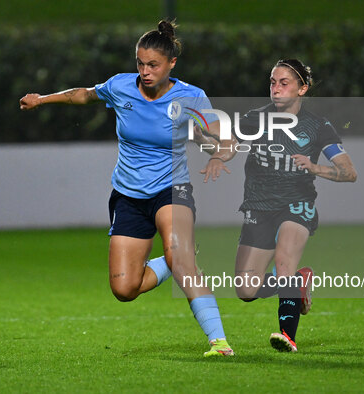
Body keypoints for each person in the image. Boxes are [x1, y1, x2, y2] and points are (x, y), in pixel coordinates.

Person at [19, 20, 234, 357]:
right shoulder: (121, 87)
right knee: (124, 288)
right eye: (140, 63)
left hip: (171, 190)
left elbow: (223, 138)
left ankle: (218, 341)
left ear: (171, 64)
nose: (145, 72)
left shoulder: (192, 96)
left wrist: (219, 153)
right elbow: (84, 95)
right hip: (128, 197)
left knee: (183, 260)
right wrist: (41, 100)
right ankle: (172, 260)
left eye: (153, 65)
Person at [199, 59, 357, 352]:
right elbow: (228, 146)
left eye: (284, 83)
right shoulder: (254, 119)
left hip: (297, 206)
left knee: (285, 259)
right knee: (245, 290)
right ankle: (298, 282)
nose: (276, 88)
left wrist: (314, 167)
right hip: (258, 209)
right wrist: (207, 146)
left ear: (302, 88)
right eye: (272, 82)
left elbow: (349, 172)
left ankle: (288, 335)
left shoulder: (318, 127)